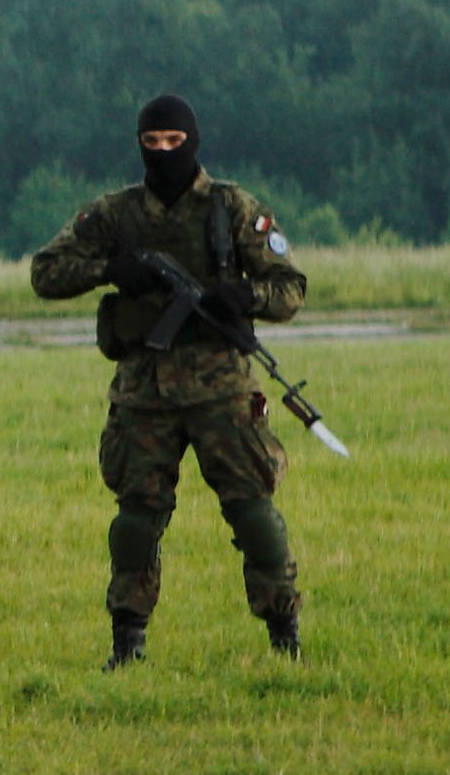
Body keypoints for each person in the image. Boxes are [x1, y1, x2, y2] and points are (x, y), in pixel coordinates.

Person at [28, 94, 310, 667]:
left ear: (192, 141)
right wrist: (108, 271)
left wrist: (245, 294)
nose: (161, 153)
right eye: (150, 143)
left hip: (222, 391)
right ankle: (127, 645)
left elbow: (290, 289)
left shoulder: (231, 208)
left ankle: (285, 637)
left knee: (254, 515)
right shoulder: (115, 214)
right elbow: (46, 272)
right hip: (143, 392)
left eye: (173, 143)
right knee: (135, 521)